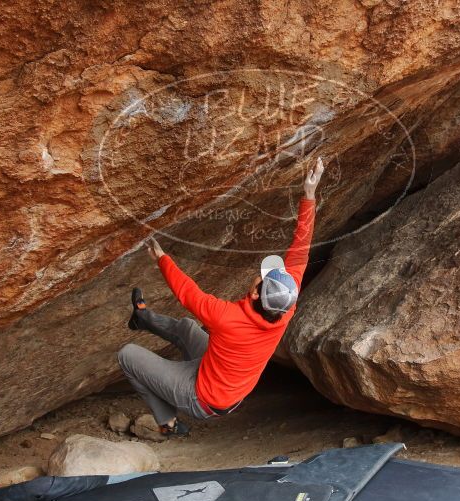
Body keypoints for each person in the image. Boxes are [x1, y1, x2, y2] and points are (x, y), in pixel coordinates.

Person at [117, 157, 324, 437]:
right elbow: (300, 250)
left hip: (201, 398)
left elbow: (188, 294)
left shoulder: (227, 318)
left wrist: (162, 258)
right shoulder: (285, 305)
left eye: (262, 278)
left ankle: (167, 421)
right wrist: (309, 195)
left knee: (127, 355)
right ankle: (142, 318)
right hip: (219, 377)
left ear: (253, 291)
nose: (260, 275)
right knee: (187, 328)